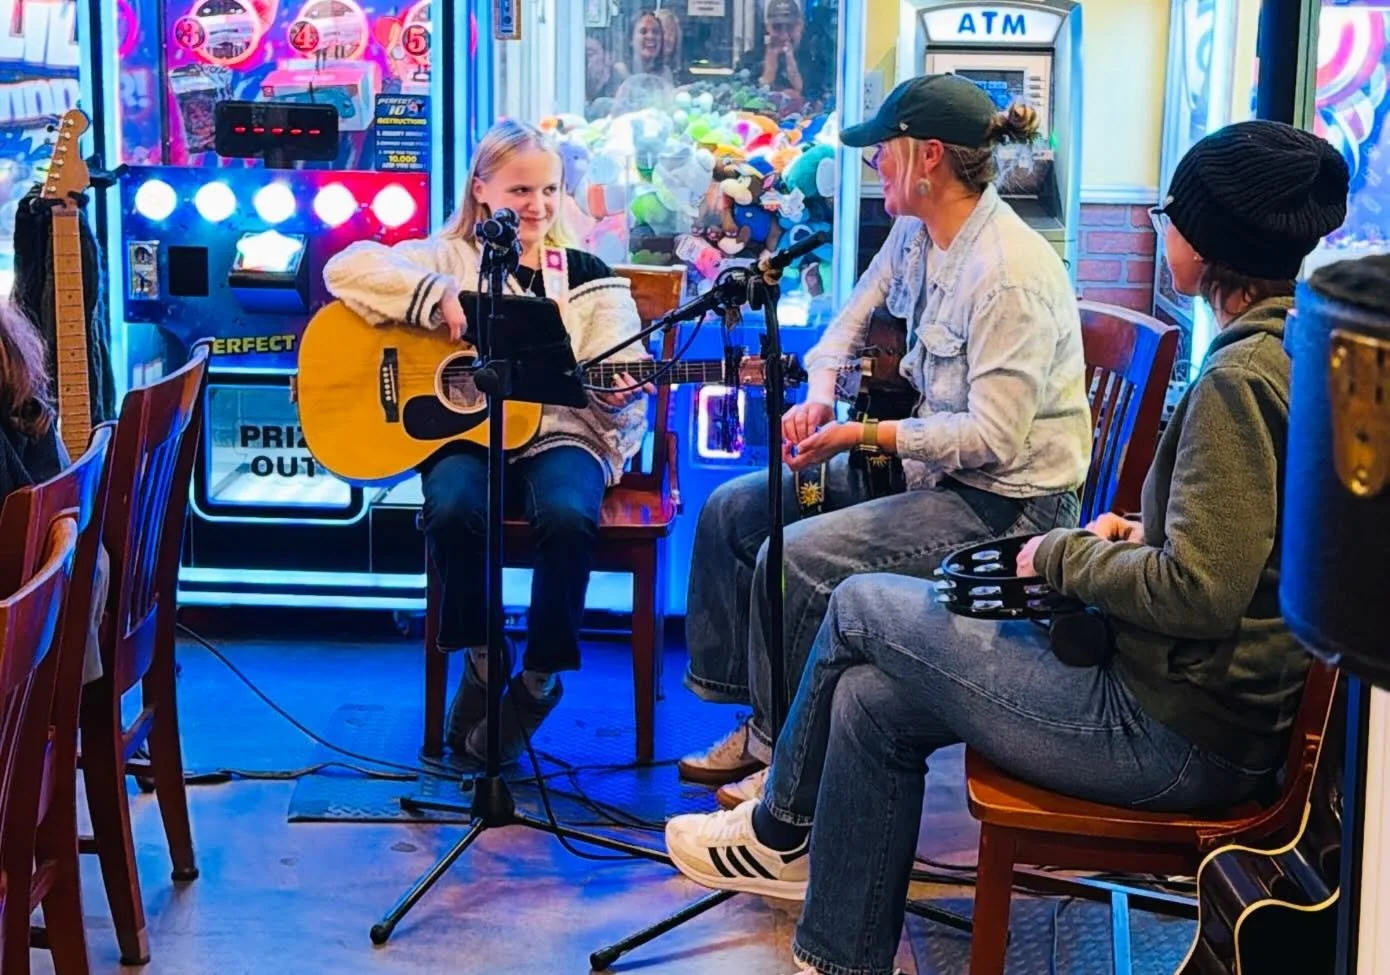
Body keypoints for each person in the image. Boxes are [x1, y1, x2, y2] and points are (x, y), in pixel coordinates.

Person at [664, 120, 1351, 975]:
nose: (1158, 227)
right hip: (1180, 699)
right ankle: (837, 957)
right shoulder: (1290, 348)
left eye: (1171, 214)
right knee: (871, 700)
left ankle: (777, 829)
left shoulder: (1240, 380)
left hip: (1177, 738)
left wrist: (1062, 557)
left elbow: (1201, 590)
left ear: (1214, 240)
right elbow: (1239, 554)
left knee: (858, 602)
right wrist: (1130, 534)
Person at [679, 74, 1092, 805]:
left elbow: (993, 439)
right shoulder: (918, 232)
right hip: (930, 477)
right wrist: (814, 401)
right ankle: (760, 720)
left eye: (884, 154)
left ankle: (787, 769)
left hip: (1004, 507)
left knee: (795, 558)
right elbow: (848, 319)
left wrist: (858, 432)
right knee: (735, 513)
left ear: (928, 157)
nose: (873, 167)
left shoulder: (1009, 275)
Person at [323, 119, 653, 764]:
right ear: (480, 190)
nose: (538, 206)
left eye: (550, 190)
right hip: (466, 432)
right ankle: (482, 655)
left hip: (563, 433)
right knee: (450, 507)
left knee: (565, 513)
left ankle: (539, 679)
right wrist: (435, 295)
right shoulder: (442, 257)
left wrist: (619, 392)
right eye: (520, 190)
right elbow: (345, 266)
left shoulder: (586, 274)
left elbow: (626, 367)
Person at [737, 0, 831, 103]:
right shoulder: (749, 61)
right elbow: (737, 97)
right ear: (768, 27)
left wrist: (794, 73)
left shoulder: (816, 63)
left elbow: (821, 99)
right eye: (777, 27)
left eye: (790, 27)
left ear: (800, 26)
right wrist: (767, 76)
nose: (784, 36)